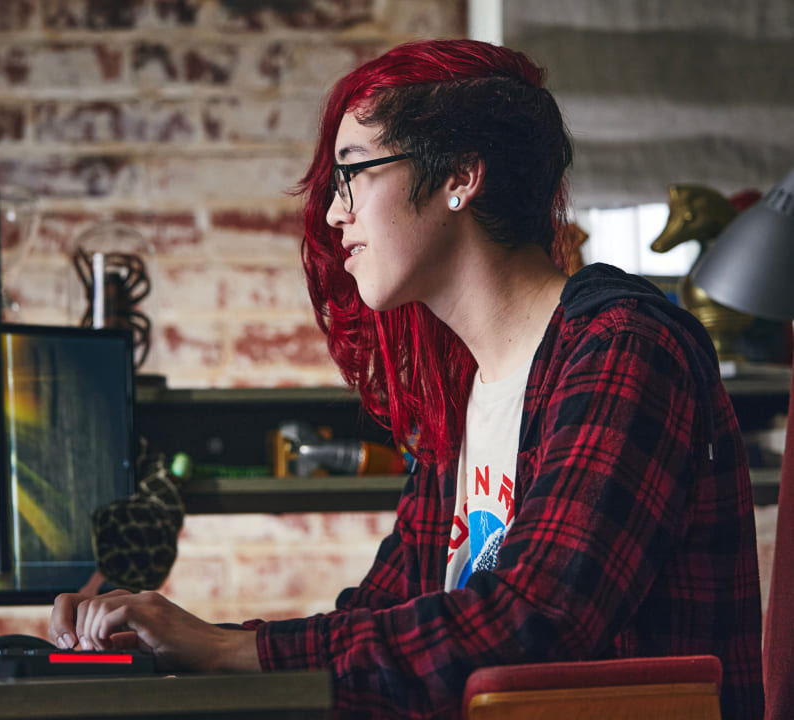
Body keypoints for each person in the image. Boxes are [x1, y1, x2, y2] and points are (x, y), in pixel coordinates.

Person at [49, 39, 765, 718]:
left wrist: (228, 649)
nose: (334, 213)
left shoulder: (622, 351)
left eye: (352, 173)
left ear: (460, 174)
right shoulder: (462, 393)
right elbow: (387, 619)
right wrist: (185, 638)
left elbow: (533, 621)